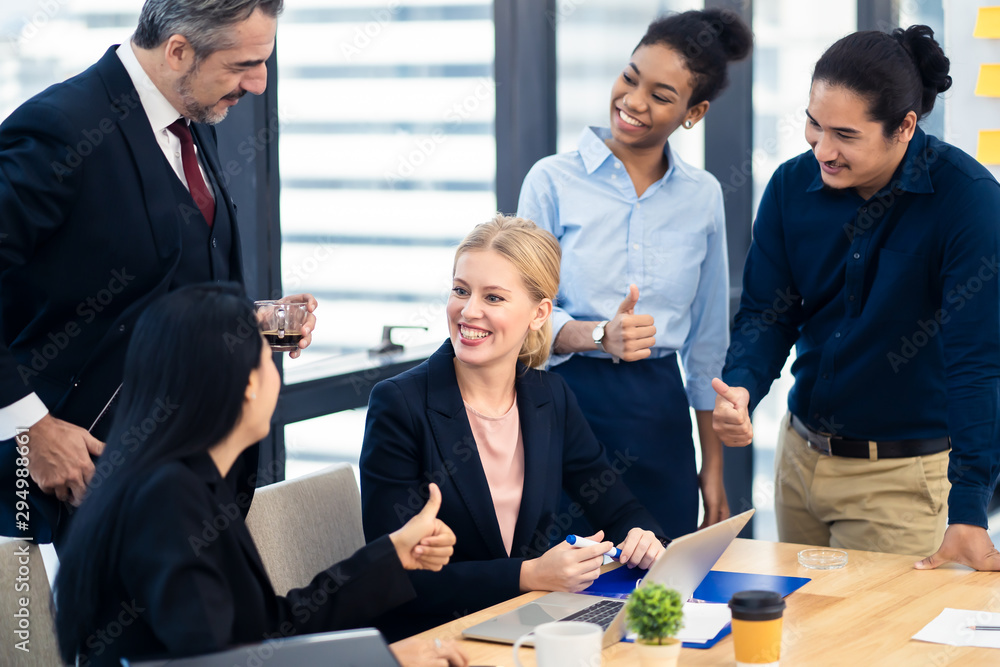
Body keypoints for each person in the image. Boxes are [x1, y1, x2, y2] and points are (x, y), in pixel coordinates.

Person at [0, 0, 317, 546]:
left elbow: (159, 279)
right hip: (79, 497)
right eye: (244, 65)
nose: (259, 84)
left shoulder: (195, 116)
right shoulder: (60, 129)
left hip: (185, 493)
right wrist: (29, 428)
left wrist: (248, 320)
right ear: (178, 50)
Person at [54, 284, 467, 667]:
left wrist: (392, 554)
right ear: (248, 383)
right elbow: (222, 662)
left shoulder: (190, 481)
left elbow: (269, 628)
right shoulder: (167, 497)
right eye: (267, 357)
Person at [712, 26, 1000, 571]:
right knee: (800, 641)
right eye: (814, 124)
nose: (822, 148)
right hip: (799, 462)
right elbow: (768, 315)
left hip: (900, 480)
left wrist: (968, 510)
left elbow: (977, 366)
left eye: (844, 134)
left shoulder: (969, 203)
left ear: (905, 127)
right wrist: (744, 386)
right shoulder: (790, 187)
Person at [360, 214, 668, 640]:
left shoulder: (549, 397)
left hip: (528, 629)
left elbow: (619, 508)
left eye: (494, 298)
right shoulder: (400, 404)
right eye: (460, 290)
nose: (469, 312)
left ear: (539, 313)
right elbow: (395, 578)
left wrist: (642, 536)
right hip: (435, 640)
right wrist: (529, 574)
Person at [516, 9, 752, 538]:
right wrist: (600, 334)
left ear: (694, 113)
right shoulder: (551, 181)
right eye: (630, 76)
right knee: (562, 595)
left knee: (660, 593)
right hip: (562, 406)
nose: (634, 101)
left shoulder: (703, 195)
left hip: (659, 419)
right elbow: (521, 315)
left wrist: (711, 471)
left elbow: (708, 344)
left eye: (662, 96)